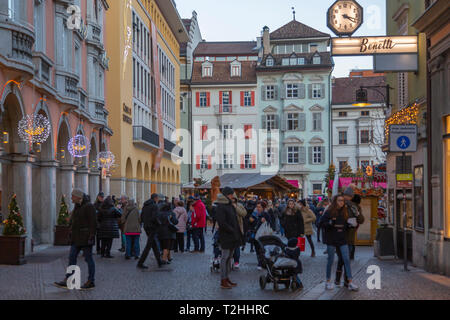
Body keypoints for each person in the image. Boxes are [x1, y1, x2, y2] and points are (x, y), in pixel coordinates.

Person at [54, 189, 97, 289]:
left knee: (88, 259)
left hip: (86, 238)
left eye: (73, 196)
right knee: (72, 258)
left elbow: (93, 223)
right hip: (76, 238)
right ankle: (69, 279)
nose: (71, 198)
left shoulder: (89, 206)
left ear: (78, 197)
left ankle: (91, 281)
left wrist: (91, 236)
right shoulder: (77, 207)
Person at [320, 195, 359, 291]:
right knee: (330, 260)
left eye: (342, 201)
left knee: (346, 259)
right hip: (331, 239)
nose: (341, 202)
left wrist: (350, 225)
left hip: (342, 239)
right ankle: (328, 281)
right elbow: (321, 223)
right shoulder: (329, 211)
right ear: (335, 201)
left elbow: (345, 224)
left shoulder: (344, 212)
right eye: (339, 200)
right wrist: (329, 223)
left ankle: (350, 282)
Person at [214, 187, 242, 289]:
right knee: (225, 257)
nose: (232, 196)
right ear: (226, 195)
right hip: (226, 236)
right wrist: (232, 230)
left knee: (229, 257)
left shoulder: (229, 205)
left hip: (232, 235)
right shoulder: (221, 206)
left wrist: (236, 232)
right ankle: (223, 280)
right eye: (231, 194)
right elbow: (222, 222)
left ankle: (227, 278)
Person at [137, 194, 163, 269]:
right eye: (157, 198)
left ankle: (159, 261)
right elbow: (155, 217)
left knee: (154, 244)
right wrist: (159, 224)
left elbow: (141, 217)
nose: (158, 200)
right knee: (148, 246)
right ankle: (140, 262)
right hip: (152, 227)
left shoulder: (145, 206)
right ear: (155, 198)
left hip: (146, 227)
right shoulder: (154, 206)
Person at [232, 196, 246, 269]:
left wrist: (235, 207)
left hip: (238, 228)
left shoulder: (239, 205)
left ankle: (236, 261)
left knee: (236, 246)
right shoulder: (225, 205)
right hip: (228, 228)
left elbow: (244, 214)